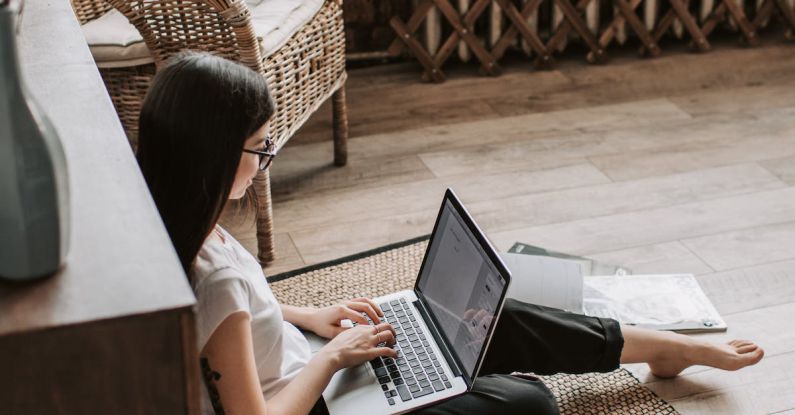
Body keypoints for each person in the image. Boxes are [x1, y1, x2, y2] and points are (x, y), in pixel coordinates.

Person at [136, 52, 764, 415]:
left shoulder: (183, 222)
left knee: (485, 319)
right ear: (213, 156)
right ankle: (468, 382)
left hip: (314, 366)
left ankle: (660, 346)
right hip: (317, 402)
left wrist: (312, 314)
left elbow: (236, 315)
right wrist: (331, 359)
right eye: (259, 148)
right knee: (531, 406)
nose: (266, 157)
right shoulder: (208, 273)